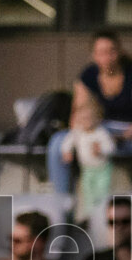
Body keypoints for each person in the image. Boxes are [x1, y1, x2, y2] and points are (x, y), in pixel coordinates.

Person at [47, 31, 132, 195]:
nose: (106, 57)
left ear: (119, 51)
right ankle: (63, 205)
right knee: (57, 143)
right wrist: (83, 135)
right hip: (98, 130)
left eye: (111, 51)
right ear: (93, 55)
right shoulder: (88, 75)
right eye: (101, 52)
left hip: (127, 132)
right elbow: (78, 114)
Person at [59, 97, 115, 221]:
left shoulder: (101, 133)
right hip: (87, 169)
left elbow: (110, 148)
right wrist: (66, 152)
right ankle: (89, 218)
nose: (86, 122)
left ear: (98, 119)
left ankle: (101, 217)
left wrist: (101, 150)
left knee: (101, 194)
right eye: (82, 119)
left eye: (89, 118)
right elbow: (67, 142)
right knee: (88, 193)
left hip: (102, 169)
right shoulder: (78, 132)